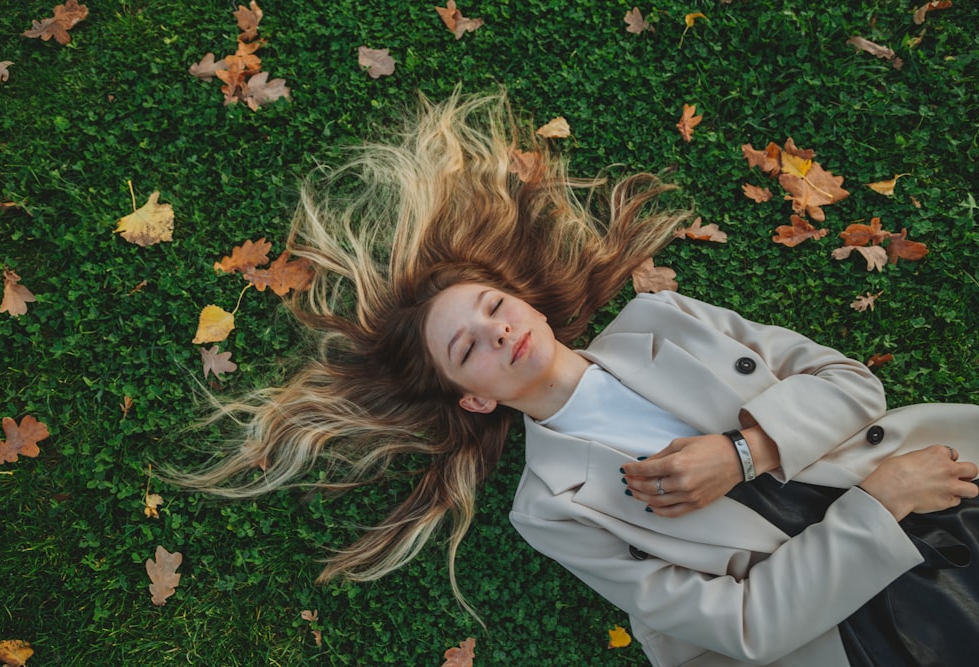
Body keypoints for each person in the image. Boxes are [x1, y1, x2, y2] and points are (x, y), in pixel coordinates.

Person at [172, 90, 979, 666]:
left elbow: (850, 386)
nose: (495, 328)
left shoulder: (666, 320)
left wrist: (743, 452)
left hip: (945, 492)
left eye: (491, 306)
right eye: (469, 347)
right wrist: (878, 508)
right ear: (477, 395)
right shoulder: (549, 509)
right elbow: (742, 627)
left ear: (528, 303)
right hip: (865, 630)